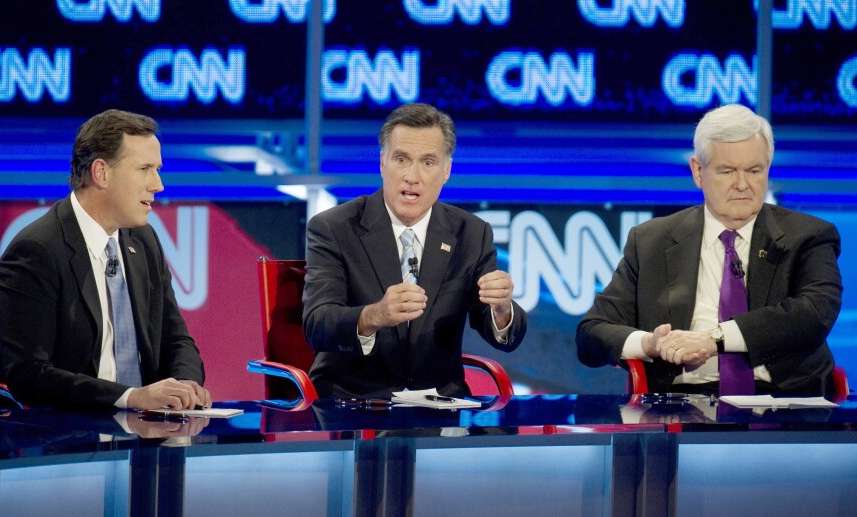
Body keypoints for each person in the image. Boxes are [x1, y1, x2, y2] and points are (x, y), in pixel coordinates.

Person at [576, 104, 843, 396]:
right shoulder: (651, 240)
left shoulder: (809, 236)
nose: (743, 185)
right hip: (679, 407)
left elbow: (815, 314)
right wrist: (649, 344)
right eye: (727, 171)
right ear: (698, 172)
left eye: (754, 170)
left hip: (785, 403)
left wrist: (714, 338)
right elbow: (592, 333)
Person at [0, 109, 211, 410]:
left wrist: (185, 383)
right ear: (101, 173)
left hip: (140, 437)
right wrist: (129, 398)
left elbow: (175, 339)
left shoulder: (144, 242)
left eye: (157, 170)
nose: (158, 185)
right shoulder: (36, 251)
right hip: (59, 441)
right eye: (144, 169)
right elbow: (30, 375)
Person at [302, 102, 528, 398]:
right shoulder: (334, 228)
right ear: (383, 163)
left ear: (446, 171)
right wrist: (374, 315)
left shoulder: (470, 233)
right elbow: (317, 324)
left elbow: (503, 336)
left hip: (440, 408)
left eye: (428, 162)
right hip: (352, 402)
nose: (412, 176)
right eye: (401, 159)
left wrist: (501, 309)